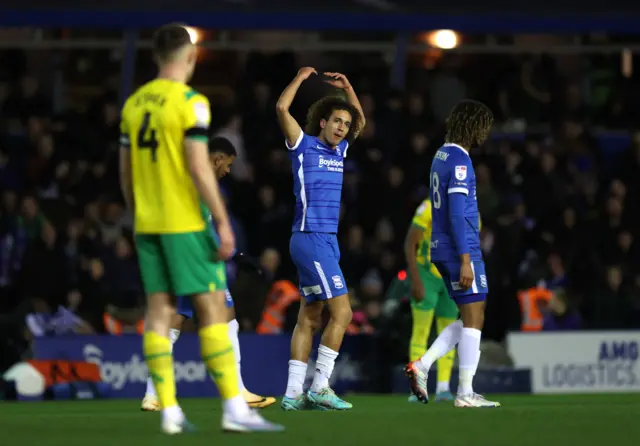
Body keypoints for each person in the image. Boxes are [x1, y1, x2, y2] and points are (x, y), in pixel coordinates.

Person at [119, 23, 282, 434]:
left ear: (156, 55)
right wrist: (222, 221)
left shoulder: (133, 105)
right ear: (189, 57)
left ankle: (167, 406)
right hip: (183, 224)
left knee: (160, 312)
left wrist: (136, 214)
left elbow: (126, 173)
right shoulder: (191, 102)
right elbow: (198, 165)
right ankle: (234, 407)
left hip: (147, 223)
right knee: (214, 309)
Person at [141, 136, 276, 411]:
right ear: (216, 159)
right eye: (227, 164)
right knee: (227, 317)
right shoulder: (201, 180)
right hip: (196, 262)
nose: (227, 171)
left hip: (175, 258)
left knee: (175, 320)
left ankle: (152, 393)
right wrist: (235, 255)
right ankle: (238, 392)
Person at [275, 67, 366, 411]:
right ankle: (322, 385)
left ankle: (292, 394)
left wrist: (348, 87)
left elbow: (361, 124)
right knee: (342, 313)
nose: (342, 128)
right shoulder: (303, 145)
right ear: (323, 123)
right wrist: (299, 79)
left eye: (345, 123)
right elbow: (282, 109)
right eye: (337, 122)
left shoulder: (339, 151)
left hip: (326, 242)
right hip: (310, 238)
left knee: (310, 317)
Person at [405, 100, 500, 408]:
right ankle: (465, 392)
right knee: (474, 317)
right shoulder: (460, 161)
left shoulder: (441, 155)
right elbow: (457, 213)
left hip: (440, 248)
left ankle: (424, 365)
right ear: (474, 127)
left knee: (471, 314)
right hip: (460, 247)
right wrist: (465, 259)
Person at [404, 198, 458, 402]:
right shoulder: (428, 208)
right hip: (427, 276)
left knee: (448, 334)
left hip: (451, 278)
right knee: (421, 332)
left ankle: (443, 388)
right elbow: (411, 242)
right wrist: (415, 278)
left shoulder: (471, 211)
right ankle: (417, 389)